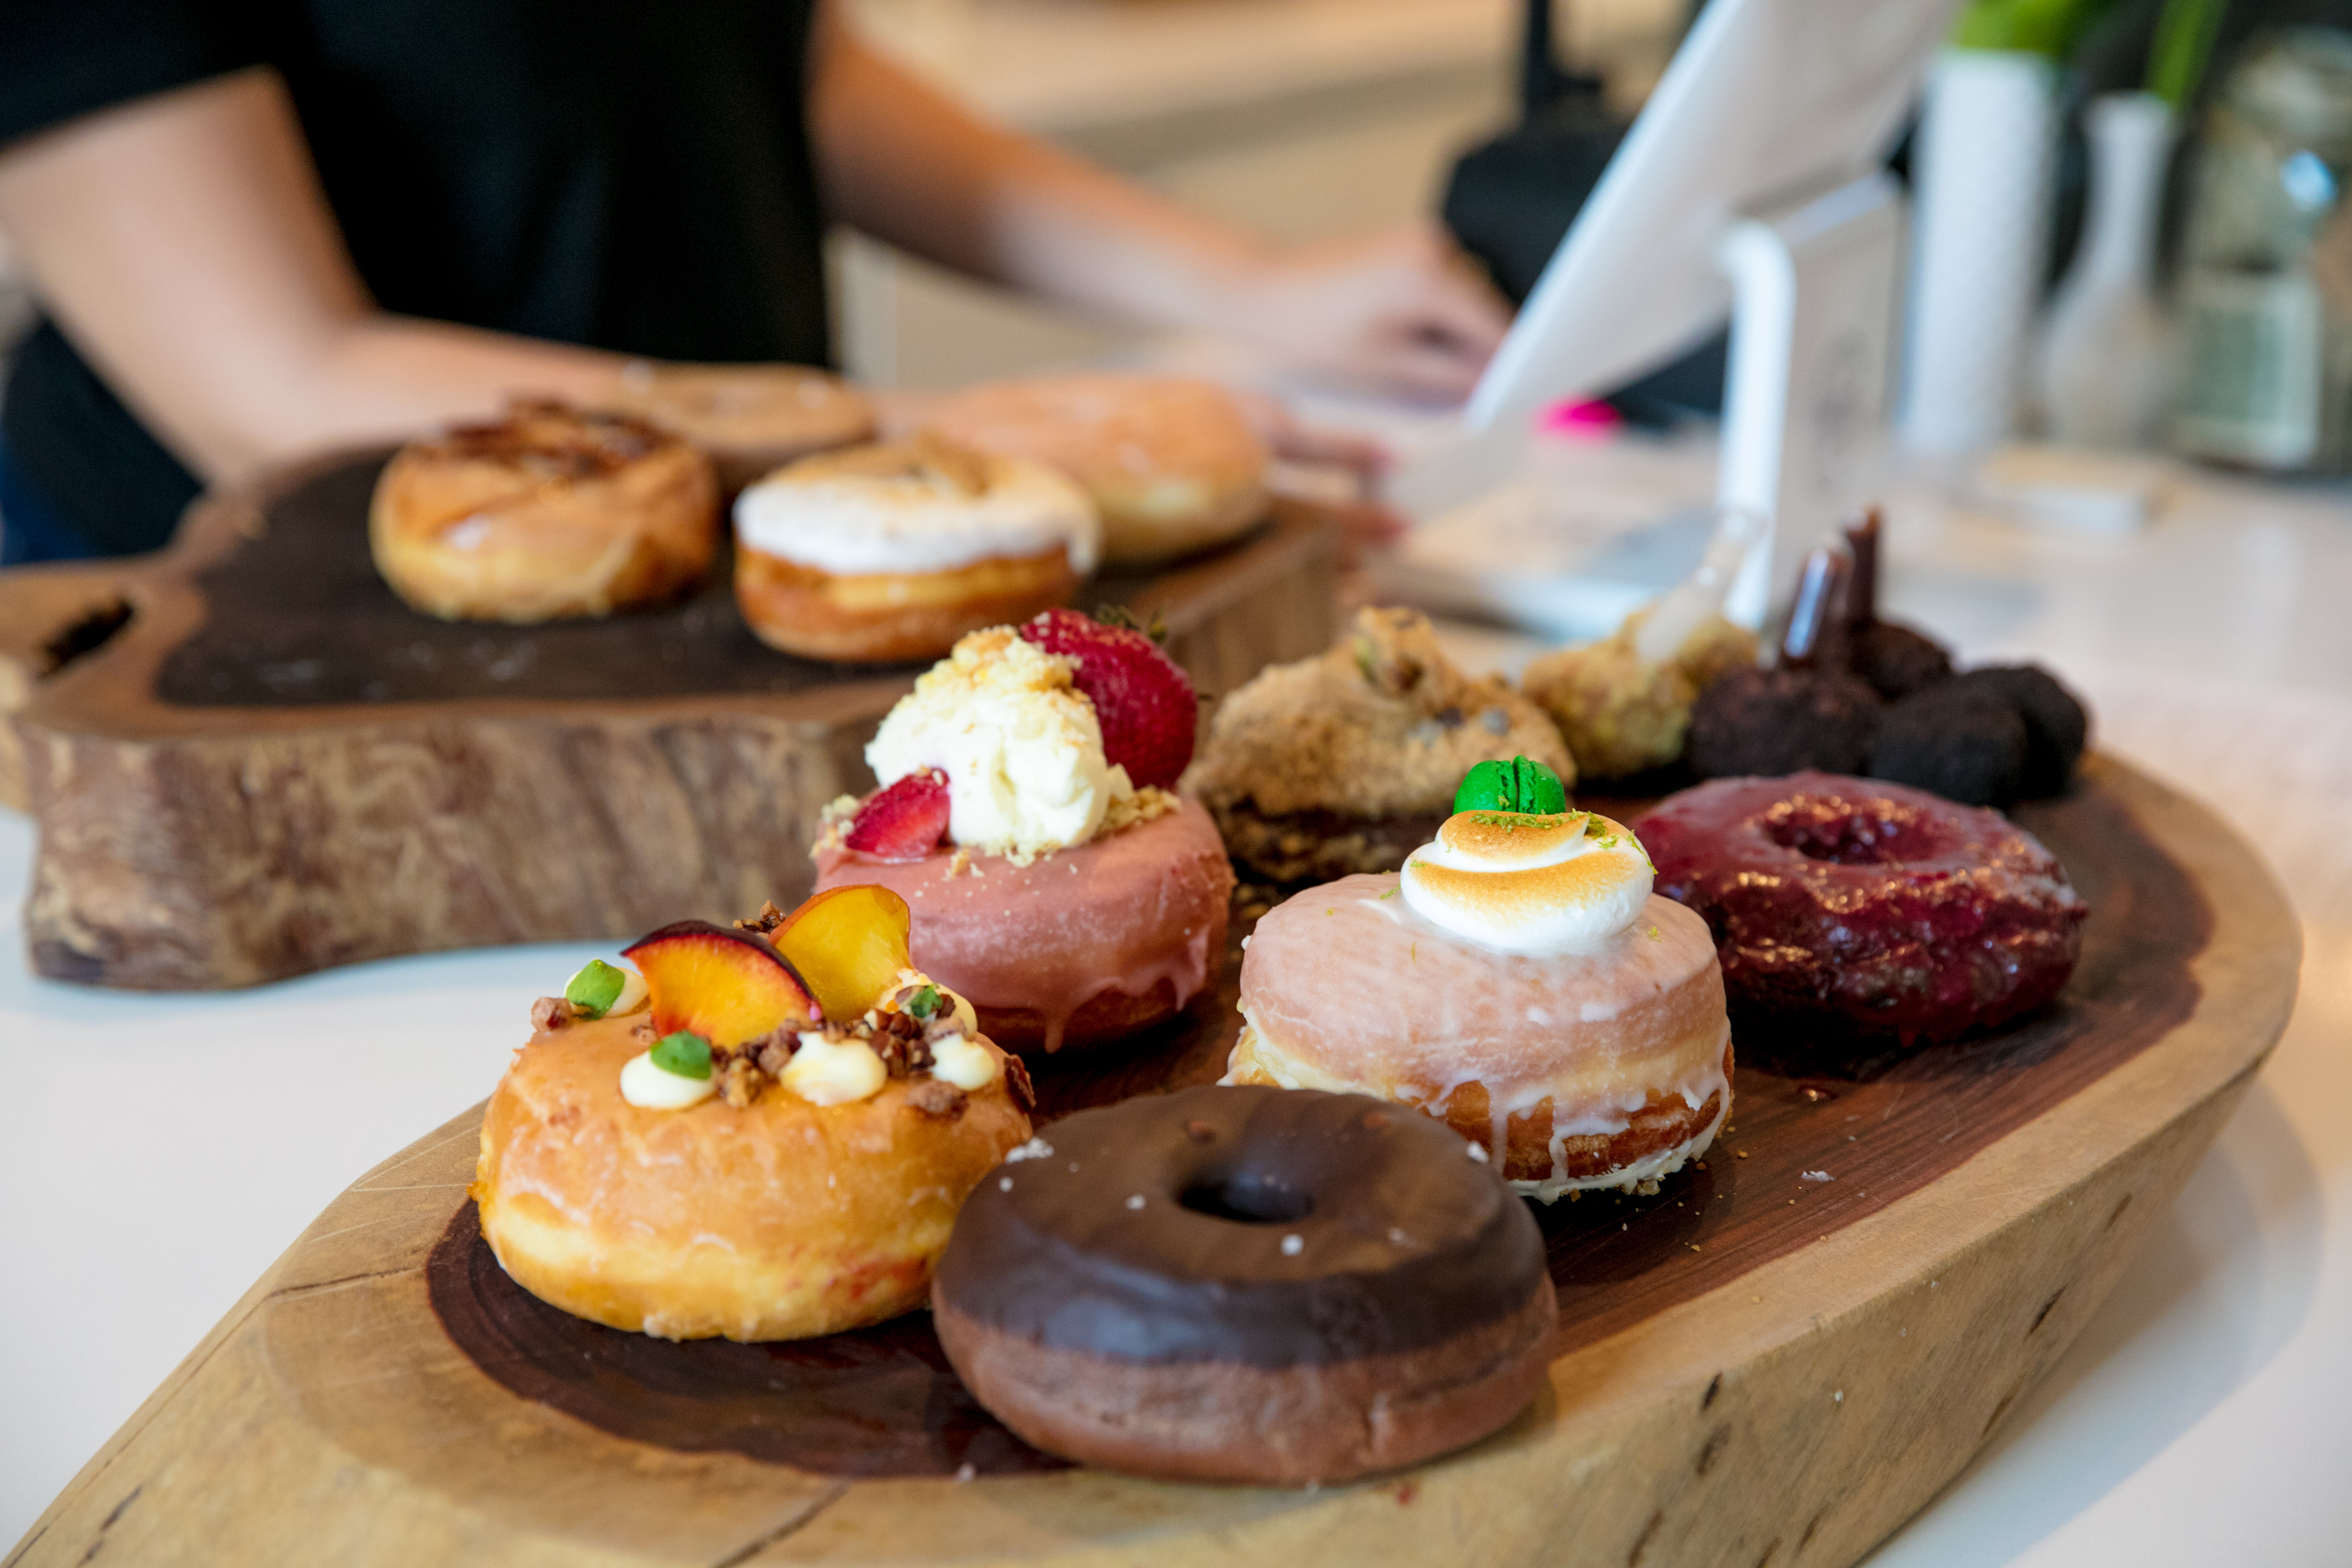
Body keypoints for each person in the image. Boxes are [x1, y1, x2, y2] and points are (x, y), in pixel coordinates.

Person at [0, 0, 1510, 565]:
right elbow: (278, 385)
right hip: (259, 638)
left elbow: (803, 77)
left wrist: (1252, 282)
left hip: (723, 564)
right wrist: (932, 443)